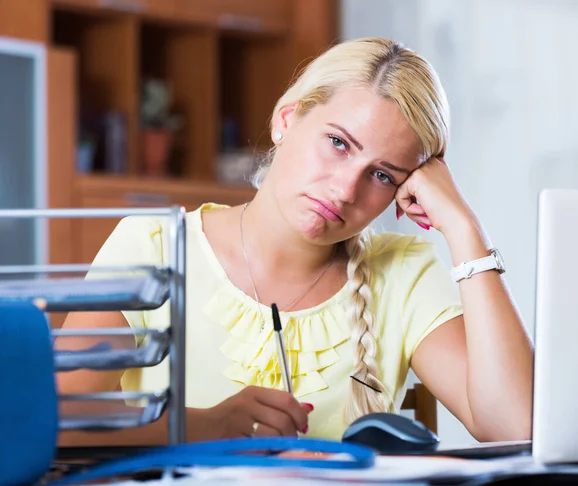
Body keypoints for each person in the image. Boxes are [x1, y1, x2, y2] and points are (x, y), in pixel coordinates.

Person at [56, 37, 533, 446]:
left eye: (382, 174)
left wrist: (466, 231)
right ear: (286, 119)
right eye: (339, 143)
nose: (347, 189)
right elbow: (54, 422)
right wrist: (205, 425)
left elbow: (517, 428)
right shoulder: (154, 246)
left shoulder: (403, 275)